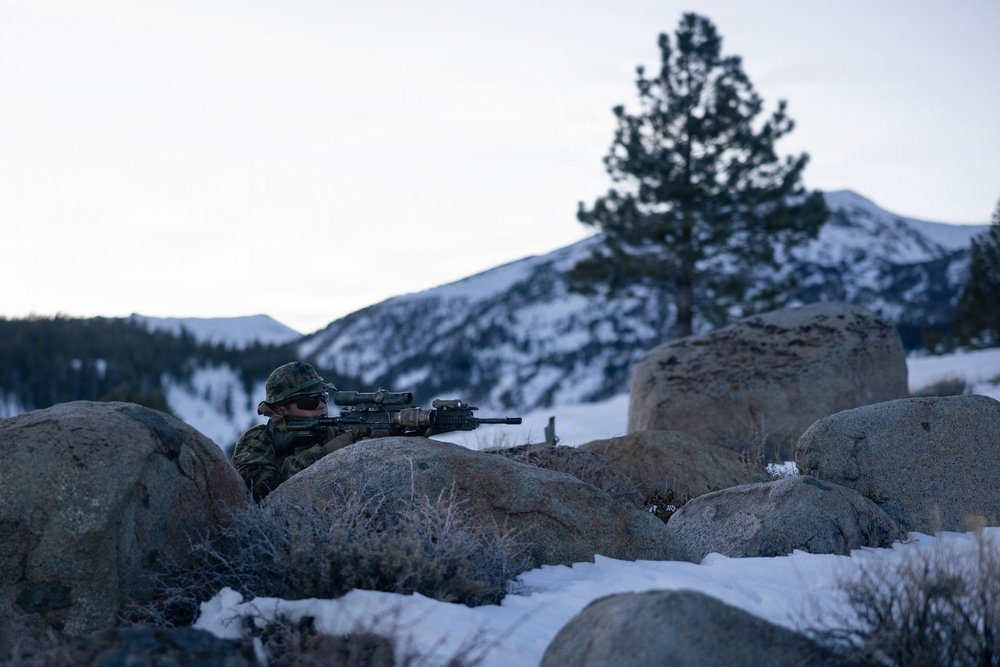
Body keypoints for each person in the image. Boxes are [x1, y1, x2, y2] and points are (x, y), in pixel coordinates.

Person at [231, 361, 366, 501]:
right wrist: (323, 453)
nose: (321, 405)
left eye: (323, 397)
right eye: (310, 402)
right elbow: (257, 488)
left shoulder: (337, 432)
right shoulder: (259, 439)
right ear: (281, 410)